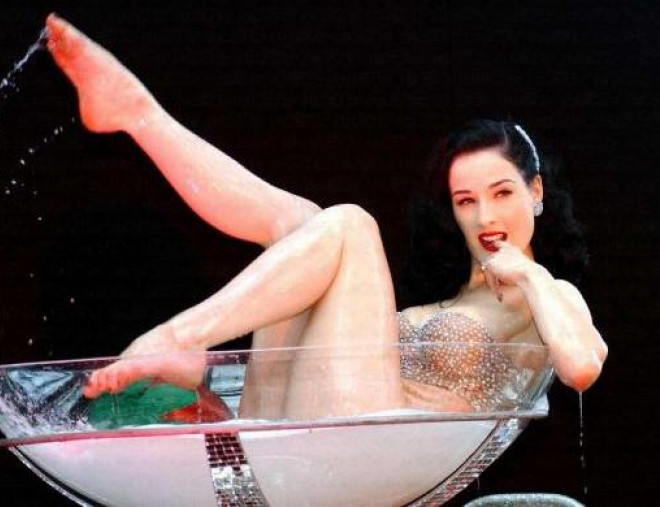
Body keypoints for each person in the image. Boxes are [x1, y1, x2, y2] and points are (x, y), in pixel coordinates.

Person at [45, 14, 607, 420]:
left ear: (535, 191)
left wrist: (529, 272)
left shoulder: (550, 298)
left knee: (349, 226)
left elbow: (582, 365)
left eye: (502, 193)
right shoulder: (450, 298)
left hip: (374, 451)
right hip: (305, 426)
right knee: (303, 224)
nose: (484, 215)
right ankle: (138, 115)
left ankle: (180, 336)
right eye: (465, 200)